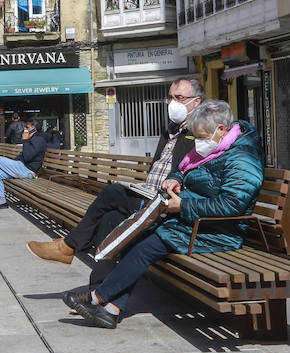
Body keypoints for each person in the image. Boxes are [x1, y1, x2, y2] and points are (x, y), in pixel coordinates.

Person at [65, 99, 265, 329]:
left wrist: (183, 206)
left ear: (221, 129)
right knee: (135, 234)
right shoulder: (218, 148)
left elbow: (231, 205)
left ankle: (99, 297)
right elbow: (185, 170)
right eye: (195, 137)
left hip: (217, 229)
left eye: (201, 137)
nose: (198, 143)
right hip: (194, 222)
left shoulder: (243, 159)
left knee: (146, 245)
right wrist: (175, 179)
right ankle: (111, 309)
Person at [28, 77, 203, 268]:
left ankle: (69, 245)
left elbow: (190, 175)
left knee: (112, 192)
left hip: (165, 205)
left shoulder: (200, 134)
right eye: (170, 97)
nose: (173, 103)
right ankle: (99, 291)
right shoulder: (169, 130)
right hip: (147, 195)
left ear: (197, 101)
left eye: (179, 97)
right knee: (110, 220)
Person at [0, 122, 47, 209]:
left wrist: (25, 140)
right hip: (22, 168)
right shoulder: (33, 139)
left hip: (28, 171)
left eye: (27, 127)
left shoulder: (38, 140)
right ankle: (2, 202)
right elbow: (21, 157)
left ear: (34, 129)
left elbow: (28, 157)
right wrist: (10, 165)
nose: (25, 129)